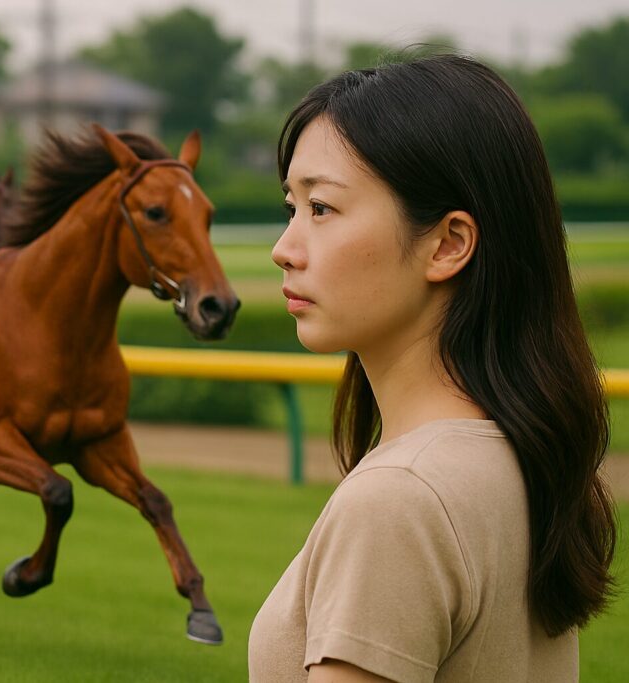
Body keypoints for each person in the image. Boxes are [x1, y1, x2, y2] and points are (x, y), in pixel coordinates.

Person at [248, 54, 616, 682]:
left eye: (322, 208)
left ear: (448, 244)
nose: (285, 249)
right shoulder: (524, 456)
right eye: (291, 206)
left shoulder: (401, 500)